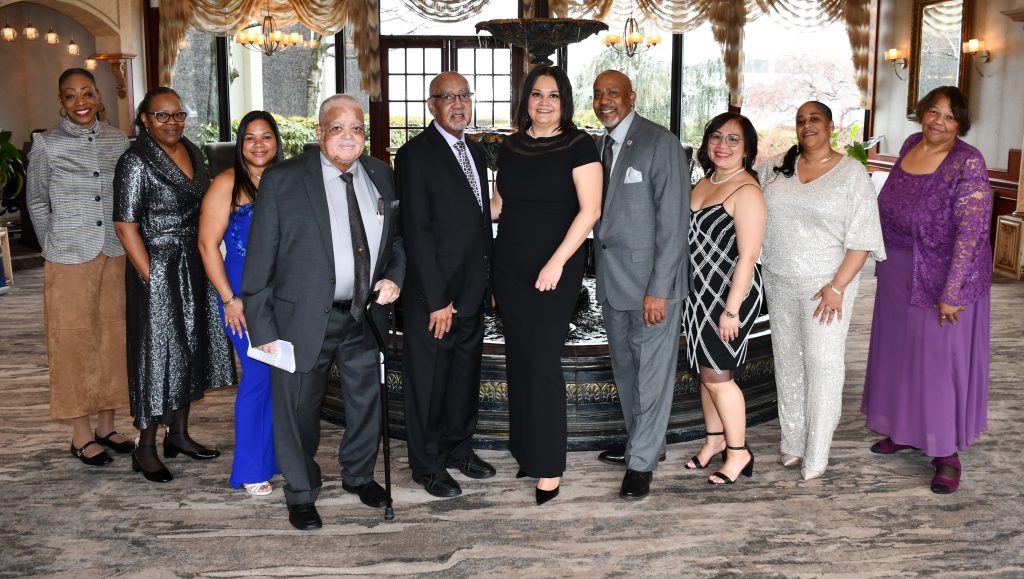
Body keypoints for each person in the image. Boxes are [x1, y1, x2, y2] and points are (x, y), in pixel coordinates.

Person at [242, 94, 405, 530]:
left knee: (366, 402)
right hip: (301, 320)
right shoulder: (283, 180)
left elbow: (396, 242)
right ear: (320, 132)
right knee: (297, 410)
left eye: (356, 129)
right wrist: (263, 329)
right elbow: (259, 260)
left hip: (365, 316)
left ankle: (359, 475)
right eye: (337, 128)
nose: (348, 137)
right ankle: (301, 491)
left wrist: (394, 277)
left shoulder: (381, 175)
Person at [861, 86, 991, 494]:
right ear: (922, 112)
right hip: (897, 268)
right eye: (934, 111)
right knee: (899, 355)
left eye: (950, 116)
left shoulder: (968, 162)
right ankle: (904, 429)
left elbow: (972, 232)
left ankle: (946, 453)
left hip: (943, 275)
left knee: (937, 363)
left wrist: (952, 291)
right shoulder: (910, 144)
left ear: (961, 123)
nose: (939, 121)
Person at [757, 101, 885, 481]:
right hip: (778, 279)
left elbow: (862, 239)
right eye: (800, 120)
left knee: (822, 365)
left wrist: (837, 286)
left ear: (830, 126)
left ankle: (817, 451)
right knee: (787, 361)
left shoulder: (851, 174)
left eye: (815, 119)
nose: (807, 125)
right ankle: (793, 439)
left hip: (827, 288)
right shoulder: (775, 168)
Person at [491, 65, 602, 505]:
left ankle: (550, 464)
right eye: (536, 94)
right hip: (509, 265)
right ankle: (526, 450)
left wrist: (557, 262)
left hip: (554, 267)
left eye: (553, 95)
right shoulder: (511, 146)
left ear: (565, 101)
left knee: (541, 361)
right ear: (526, 100)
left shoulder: (580, 145)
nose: (544, 102)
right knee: (518, 359)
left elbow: (590, 211)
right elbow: (499, 204)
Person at [114, 87, 236, 483]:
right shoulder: (135, 160)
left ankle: (178, 435)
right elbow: (125, 226)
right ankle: (145, 447)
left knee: (191, 346)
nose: (172, 122)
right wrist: (152, 278)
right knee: (157, 354)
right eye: (162, 115)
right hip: (157, 265)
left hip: (194, 261)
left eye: (178, 114)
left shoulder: (193, 150)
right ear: (145, 119)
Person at [395, 72, 496, 498]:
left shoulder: (475, 151)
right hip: (434, 297)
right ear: (432, 105)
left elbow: (479, 222)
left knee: (463, 378)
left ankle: (459, 449)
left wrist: (488, 282)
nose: (458, 104)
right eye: (447, 97)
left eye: (463, 96)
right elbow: (416, 232)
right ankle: (428, 464)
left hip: (472, 291)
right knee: (429, 383)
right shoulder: (414, 155)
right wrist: (436, 300)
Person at [26, 68, 134, 467]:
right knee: (72, 343)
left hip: (114, 253)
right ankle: (81, 434)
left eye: (87, 93)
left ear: (99, 96)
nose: (80, 102)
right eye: (70, 96)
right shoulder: (47, 144)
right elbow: (37, 202)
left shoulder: (117, 140)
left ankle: (107, 426)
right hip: (68, 257)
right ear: (61, 102)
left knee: (113, 339)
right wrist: (52, 245)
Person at [590, 70, 689, 499]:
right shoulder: (601, 145)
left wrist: (660, 289)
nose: (605, 100)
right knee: (627, 371)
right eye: (598, 94)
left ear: (632, 97)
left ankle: (641, 464)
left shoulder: (660, 142)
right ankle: (643, 443)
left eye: (613, 93)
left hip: (652, 287)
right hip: (613, 284)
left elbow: (674, 223)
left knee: (651, 376)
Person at [198, 111, 284, 496]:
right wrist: (229, 299)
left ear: (277, 141)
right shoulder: (227, 183)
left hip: (282, 296)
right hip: (241, 297)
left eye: (266, 136)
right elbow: (206, 245)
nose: (259, 144)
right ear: (240, 144)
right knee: (258, 376)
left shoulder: (287, 179)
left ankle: (274, 458)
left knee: (280, 379)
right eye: (250, 137)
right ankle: (250, 469)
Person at [682, 112, 765, 485]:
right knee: (707, 373)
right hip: (699, 293)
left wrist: (731, 311)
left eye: (733, 139)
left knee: (718, 377)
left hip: (730, 295)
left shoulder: (747, 191)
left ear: (746, 148)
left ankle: (738, 452)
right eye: (716, 136)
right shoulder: (704, 182)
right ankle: (714, 440)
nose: (723, 145)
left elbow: (748, 257)